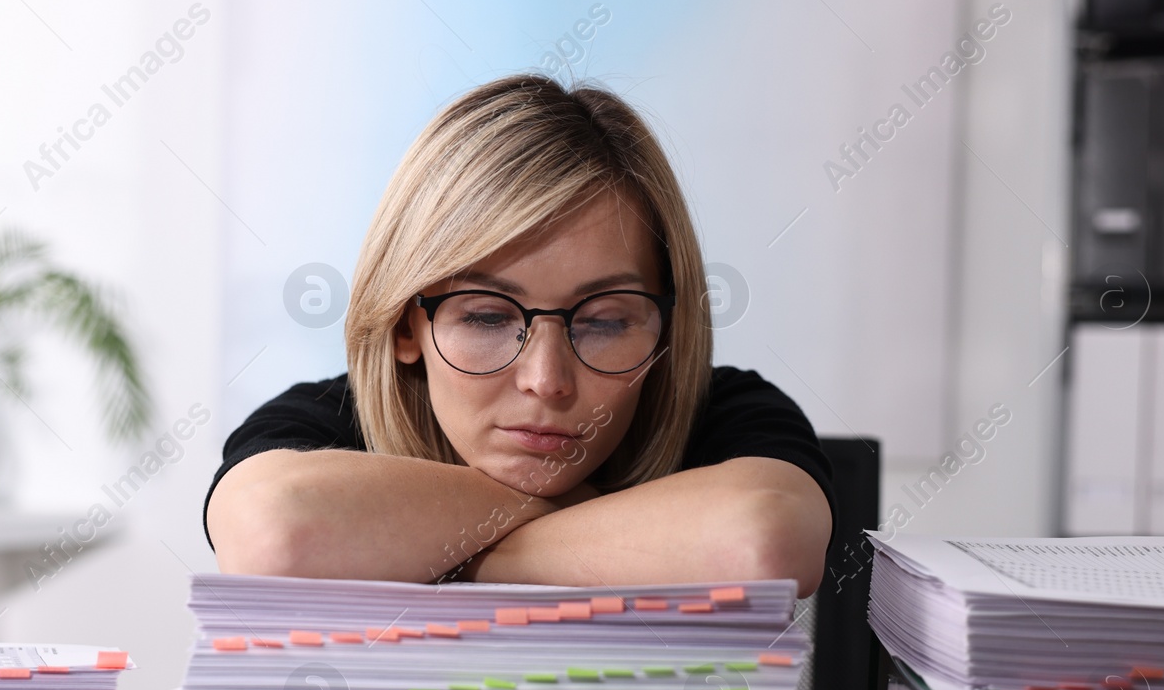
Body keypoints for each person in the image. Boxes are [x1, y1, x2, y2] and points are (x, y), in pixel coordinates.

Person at [205, 74, 833, 591]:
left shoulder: (723, 412)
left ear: (667, 329)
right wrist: (593, 526)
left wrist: (461, 552)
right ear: (405, 325)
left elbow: (763, 542)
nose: (547, 382)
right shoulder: (325, 422)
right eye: (486, 316)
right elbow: (273, 535)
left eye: (608, 321)